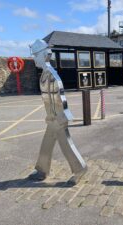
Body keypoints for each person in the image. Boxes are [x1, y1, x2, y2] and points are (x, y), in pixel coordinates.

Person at [29, 39, 87, 185]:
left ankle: (79, 169)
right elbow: (49, 99)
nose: (34, 59)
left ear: (42, 55)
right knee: (47, 144)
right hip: (53, 118)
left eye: (35, 55)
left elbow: (60, 97)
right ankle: (42, 170)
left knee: (66, 145)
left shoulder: (51, 75)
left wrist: (62, 115)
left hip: (58, 118)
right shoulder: (45, 74)